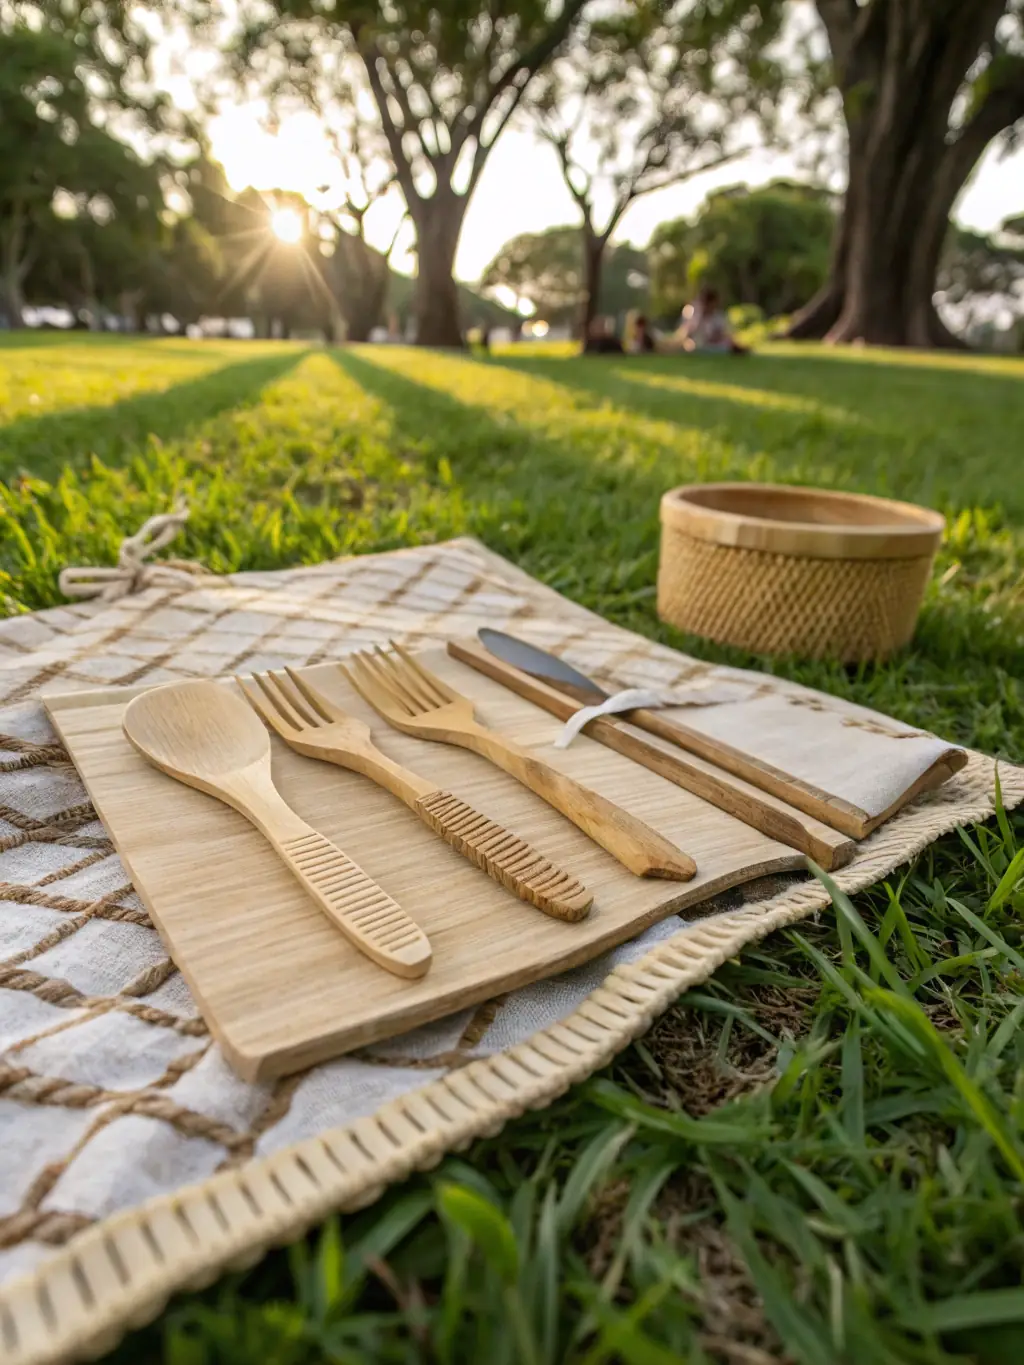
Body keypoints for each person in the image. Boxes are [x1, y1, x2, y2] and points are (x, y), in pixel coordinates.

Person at [674, 286, 749, 354]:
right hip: (695, 343)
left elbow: (724, 333)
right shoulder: (691, 312)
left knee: (726, 345)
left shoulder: (717, 316)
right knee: (690, 346)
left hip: (713, 345)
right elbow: (684, 333)